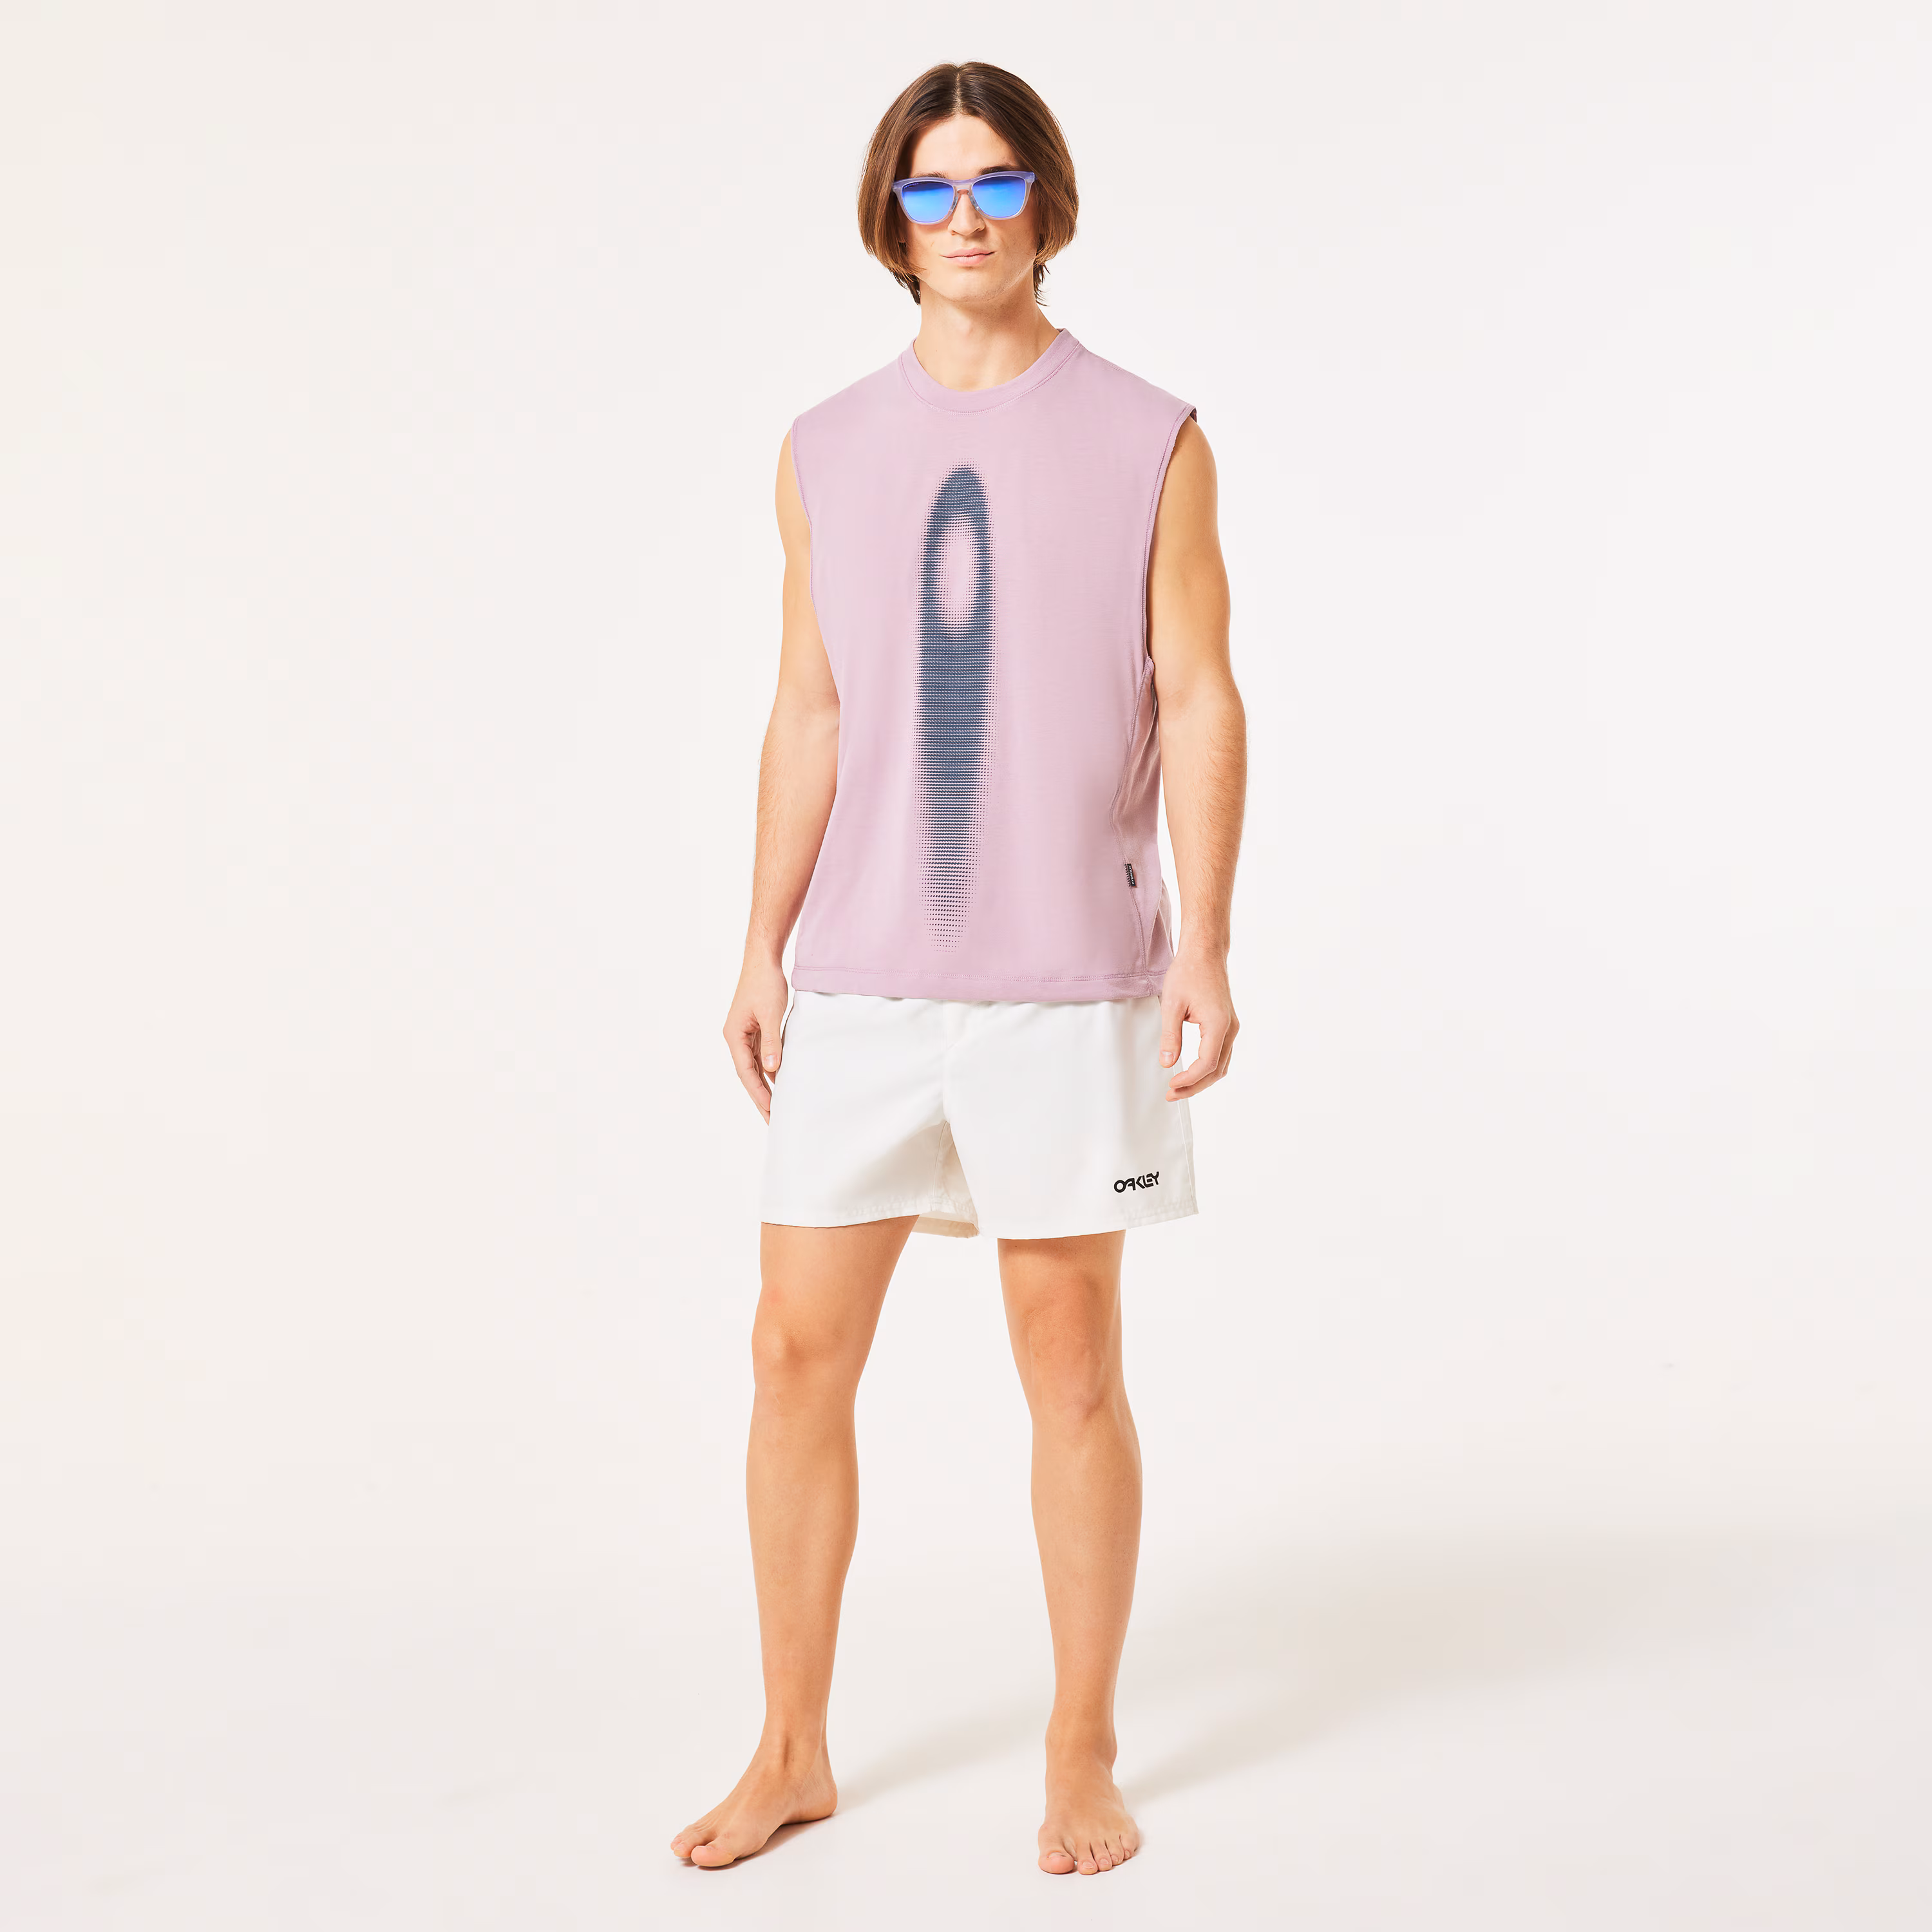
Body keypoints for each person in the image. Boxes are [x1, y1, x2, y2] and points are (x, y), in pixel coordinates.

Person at [673, 60, 1246, 1878]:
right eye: (933, 188)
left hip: (1068, 977)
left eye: (998, 182)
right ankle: (791, 1749)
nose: (969, 214)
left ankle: (1081, 1752)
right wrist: (760, 943)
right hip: (861, 975)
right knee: (791, 1351)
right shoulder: (824, 449)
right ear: (892, 222)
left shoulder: (1152, 435)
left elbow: (1199, 694)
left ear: (1046, 205)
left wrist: (1208, 942)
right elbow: (811, 706)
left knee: (1067, 1363)